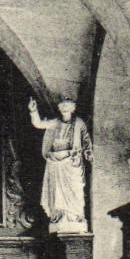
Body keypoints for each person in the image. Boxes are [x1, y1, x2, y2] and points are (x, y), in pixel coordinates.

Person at [28, 97, 91, 233]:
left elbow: (85, 138)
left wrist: (88, 151)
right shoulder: (55, 123)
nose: (65, 108)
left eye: (68, 106)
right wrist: (33, 110)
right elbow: (38, 124)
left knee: (75, 189)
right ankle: (59, 217)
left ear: (73, 109)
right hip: (56, 162)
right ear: (59, 108)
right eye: (62, 106)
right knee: (57, 192)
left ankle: (74, 217)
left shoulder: (79, 123)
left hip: (72, 162)